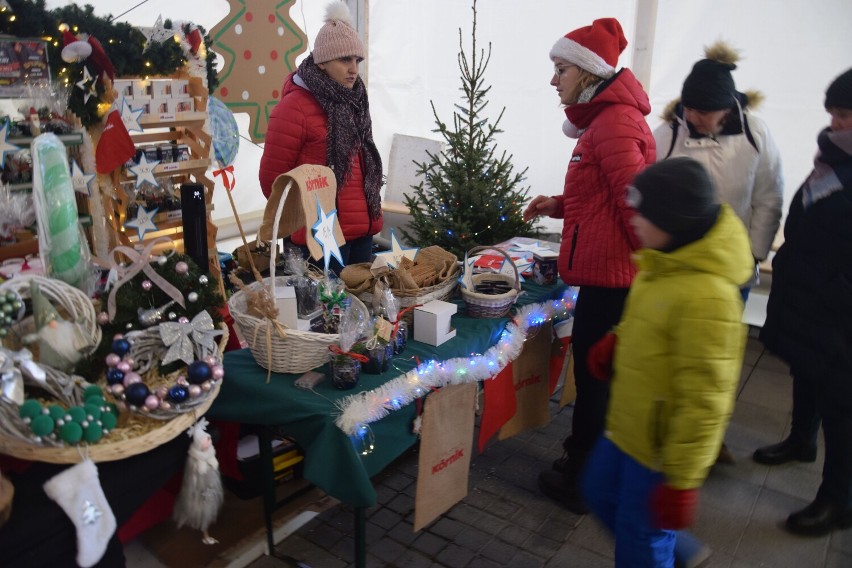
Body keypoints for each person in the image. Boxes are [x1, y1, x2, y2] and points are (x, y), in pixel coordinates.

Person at [581, 157, 753, 567]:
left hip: (660, 451)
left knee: (640, 541)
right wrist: (618, 340)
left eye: (645, 214)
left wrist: (682, 481)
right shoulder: (662, 263)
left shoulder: (709, 297)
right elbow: (648, 319)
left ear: (674, 221)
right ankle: (682, 551)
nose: (634, 220)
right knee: (598, 492)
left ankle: (666, 550)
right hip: (626, 424)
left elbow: (707, 400)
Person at [522, 17, 656, 514]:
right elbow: (604, 194)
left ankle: (583, 480)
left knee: (598, 380)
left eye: (560, 69)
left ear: (586, 72)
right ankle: (587, 465)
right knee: (599, 376)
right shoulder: (606, 122)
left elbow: (636, 207)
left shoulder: (615, 123)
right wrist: (558, 204)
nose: (554, 80)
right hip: (609, 274)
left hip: (613, 280)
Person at [753, 68, 852, 537]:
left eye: (846, 115)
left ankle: (838, 499)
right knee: (806, 369)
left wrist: (836, 292)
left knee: (842, 403)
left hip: (840, 307)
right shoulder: (832, 158)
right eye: (832, 113)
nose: (835, 123)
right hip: (813, 296)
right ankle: (800, 441)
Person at [259, 0, 383, 273]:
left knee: (361, 308)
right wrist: (308, 217)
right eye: (344, 60)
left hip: (360, 230)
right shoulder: (295, 107)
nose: (353, 69)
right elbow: (273, 181)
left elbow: (362, 167)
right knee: (324, 312)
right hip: (319, 237)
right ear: (323, 62)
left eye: (357, 60)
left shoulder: (356, 100)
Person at [653, 41, 783, 302]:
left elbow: (768, 199)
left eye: (702, 112)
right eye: (688, 108)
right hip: (678, 265)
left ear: (726, 108)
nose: (691, 117)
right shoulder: (667, 135)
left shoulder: (754, 134)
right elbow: (650, 199)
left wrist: (754, 254)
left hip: (732, 265)